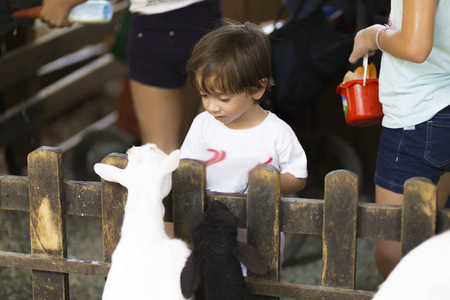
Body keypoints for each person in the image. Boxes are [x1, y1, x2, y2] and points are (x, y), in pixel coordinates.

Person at [40, 0, 223, 237]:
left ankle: (166, 263)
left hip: (158, 21)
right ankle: (187, 257)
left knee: (159, 161)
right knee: (180, 156)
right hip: (204, 15)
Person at [349, 0, 450, 280]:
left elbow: (415, 47)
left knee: (396, 256)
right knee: (436, 239)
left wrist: (372, 35)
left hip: (422, 113)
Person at [181, 20, 308, 196]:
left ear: (257, 89)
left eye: (224, 98)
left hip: (260, 220)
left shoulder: (276, 132)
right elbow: (187, 167)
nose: (211, 106)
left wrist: (270, 182)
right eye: (204, 95)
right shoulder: (202, 125)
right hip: (210, 218)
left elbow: (298, 177)